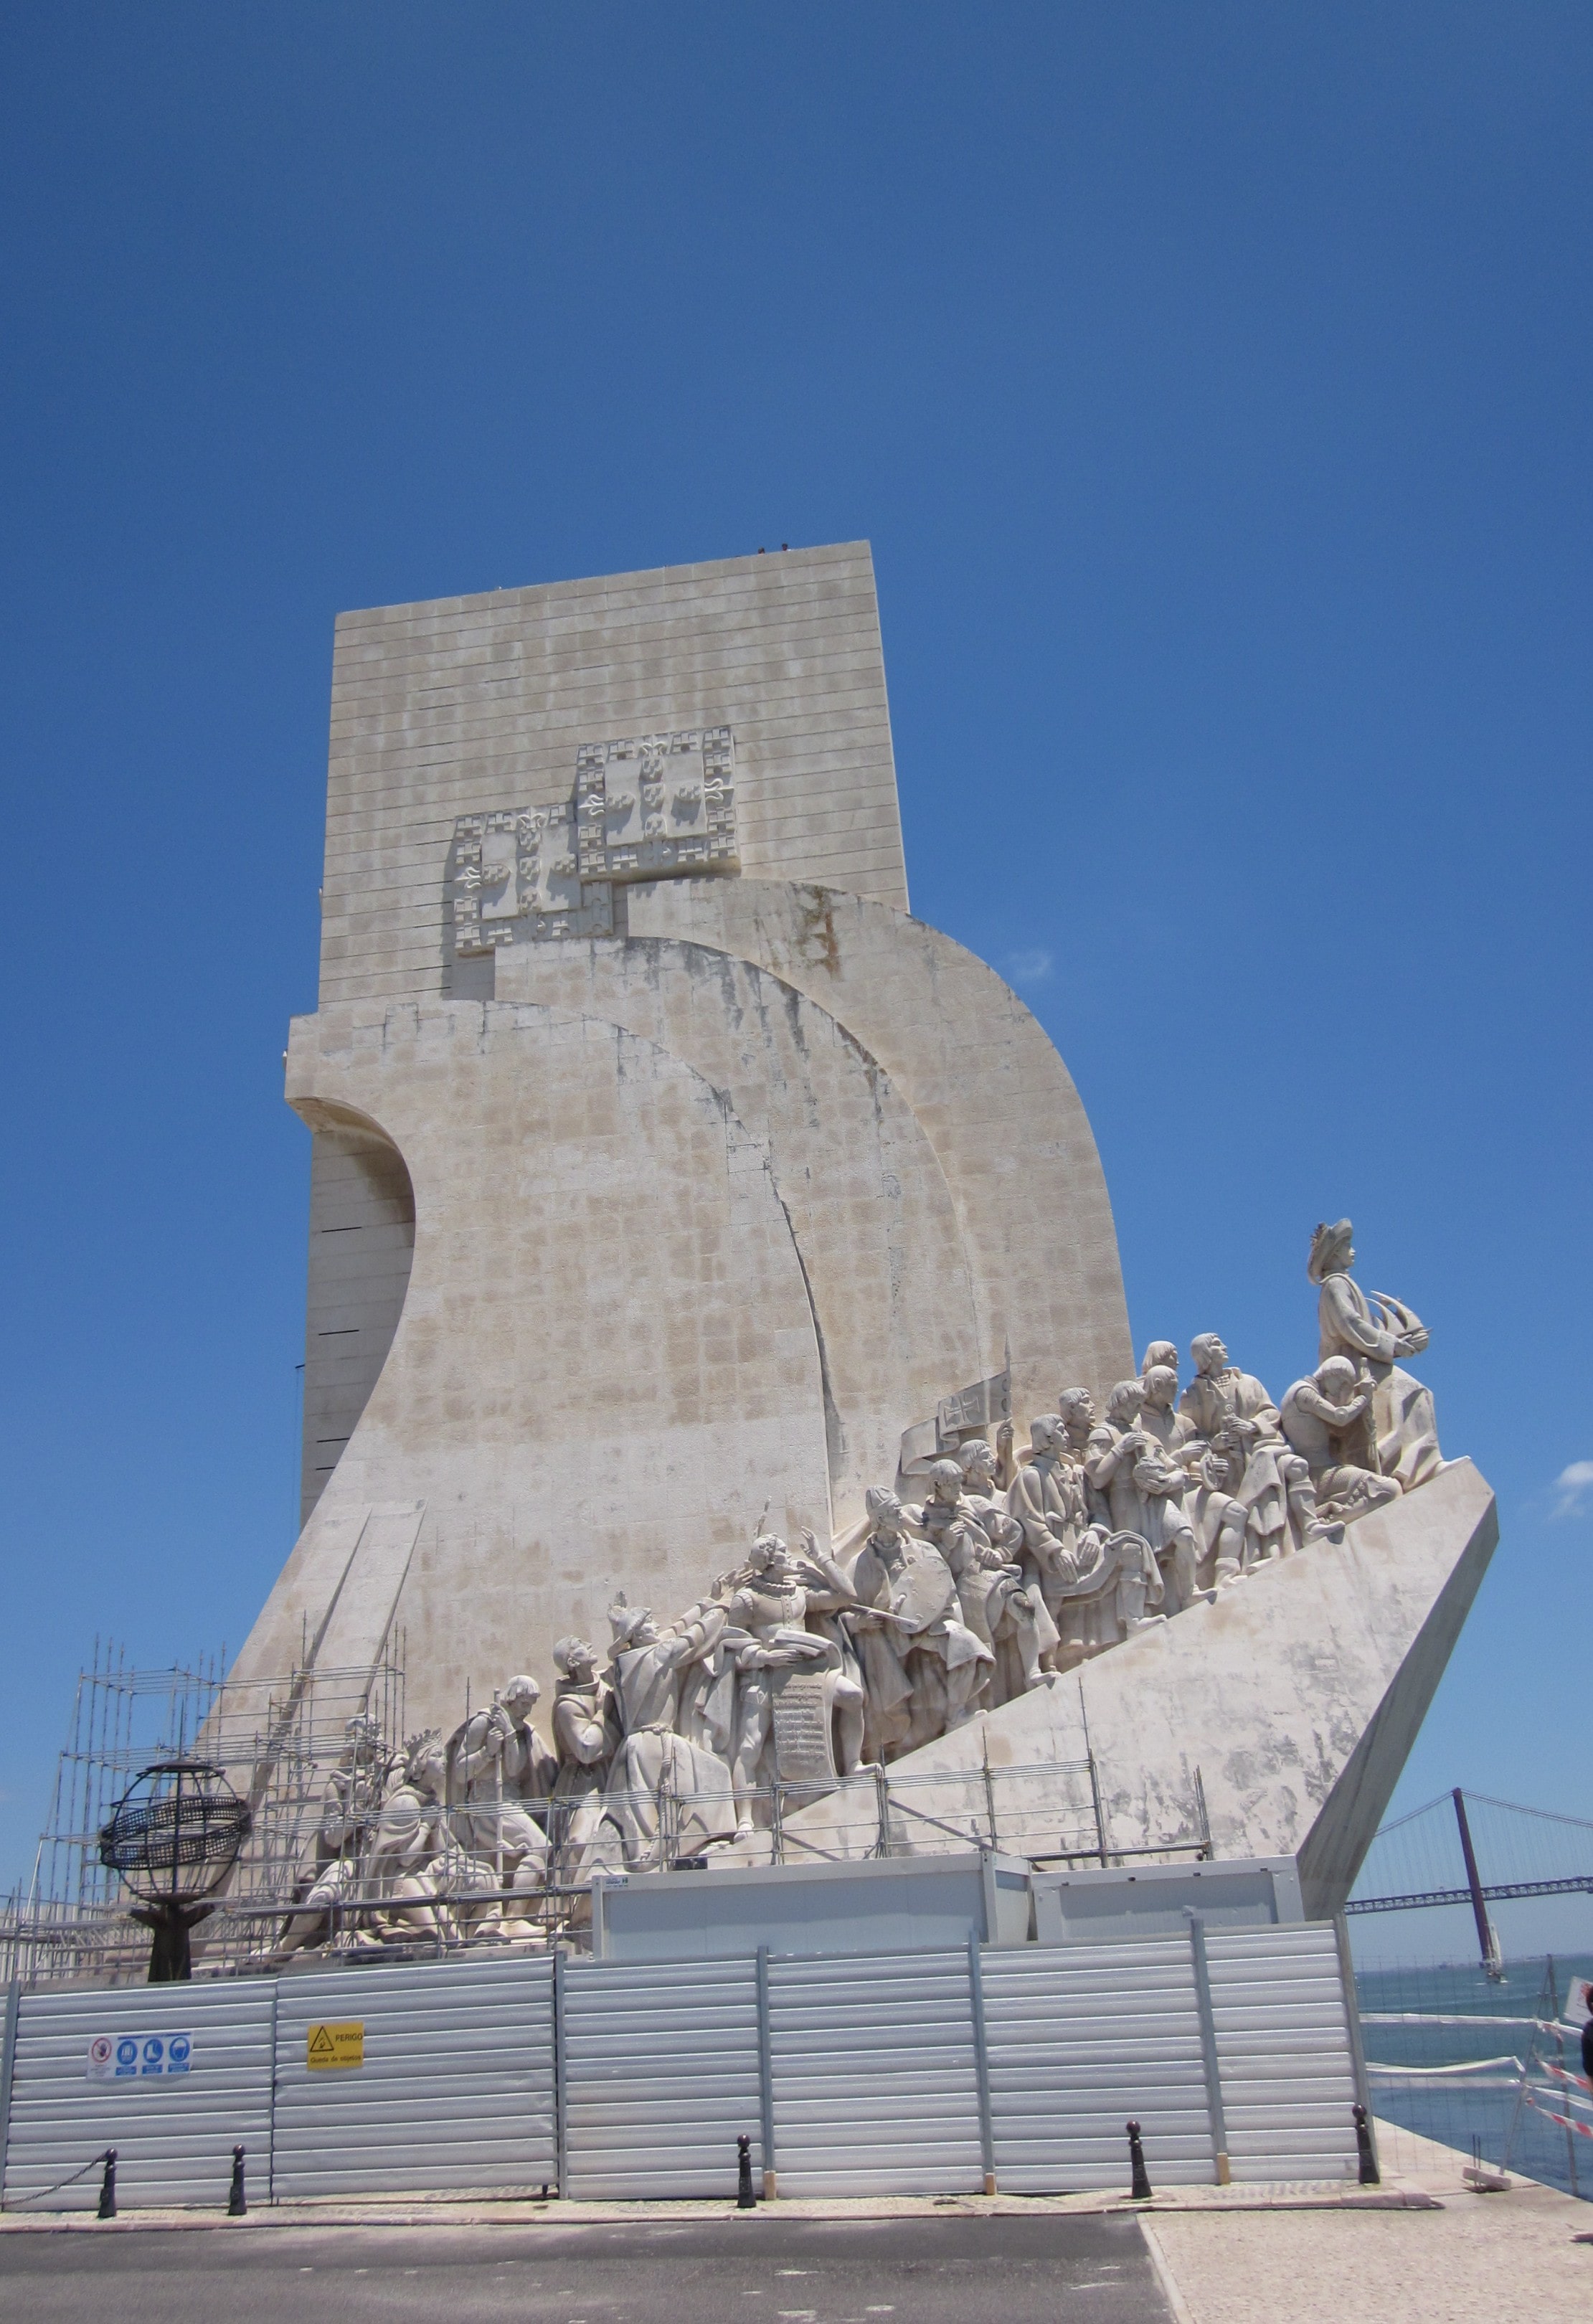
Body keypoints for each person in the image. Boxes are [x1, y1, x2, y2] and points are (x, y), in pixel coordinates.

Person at [1309, 1219, 1442, 1491]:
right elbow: (1351, 1324)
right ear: (1334, 1253)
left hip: (1364, 1360)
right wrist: (1393, 1346)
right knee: (1412, 1392)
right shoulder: (1335, 1285)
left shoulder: (1343, 1283)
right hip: (1353, 1368)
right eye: (1347, 1246)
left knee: (1415, 1394)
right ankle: (1409, 1468)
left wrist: (1397, 1339)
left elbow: (1362, 1326)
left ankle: (1422, 1464)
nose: (1353, 1250)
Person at [1280, 1360, 1402, 1522]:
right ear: (1331, 1373)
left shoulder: (1299, 1392)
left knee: (1386, 1489)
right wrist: (1364, 1397)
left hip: (1323, 1470)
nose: (1341, 1388)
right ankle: (1333, 1518)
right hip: (1322, 1473)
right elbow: (1340, 1417)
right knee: (1389, 1489)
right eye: (1343, 1381)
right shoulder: (1304, 1393)